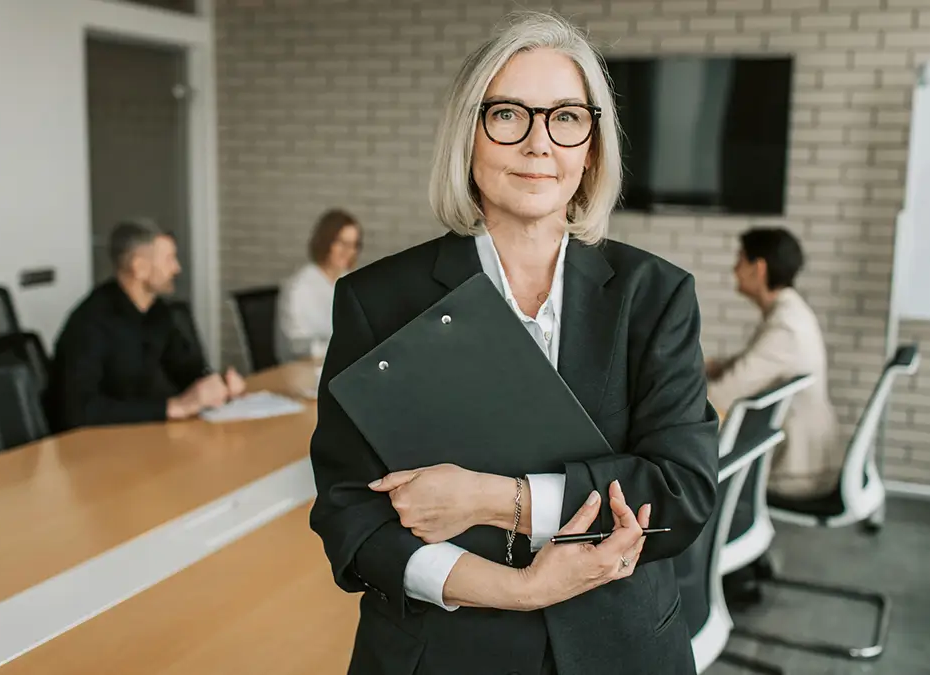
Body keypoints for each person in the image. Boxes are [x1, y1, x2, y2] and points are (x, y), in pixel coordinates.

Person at [308, 12, 718, 675]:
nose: (538, 143)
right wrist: (521, 588)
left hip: (618, 644)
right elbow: (349, 511)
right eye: (508, 115)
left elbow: (682, 493)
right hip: (442, 650)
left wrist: (493, 497)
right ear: (468, 135)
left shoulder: (655, 295)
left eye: (565, 117)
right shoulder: (377, 300)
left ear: (591, 145)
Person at [45, 219, 245, 432]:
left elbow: (185, 367)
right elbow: (79, 411)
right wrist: (172, 407)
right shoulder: (90, 323)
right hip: (92, 450)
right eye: (169, 259)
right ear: (139, 267)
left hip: (143, 436)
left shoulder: (157, 311)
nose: (177, 268)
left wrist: (218, 384)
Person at [706, 226, 842, 500]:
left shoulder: (785, 326)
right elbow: (748, 366)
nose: (734, 269)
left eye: (739, 260)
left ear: (759, 268)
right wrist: (706, 365)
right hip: (804, 461)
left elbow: (720, 394)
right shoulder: (790, 312)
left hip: (798, 473)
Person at [275, 209, 363, 362]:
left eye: (353, 245)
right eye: (342, 243)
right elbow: (295, 346)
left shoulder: (349, 282)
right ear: (325, 242)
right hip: (301, 370)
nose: (348, 251)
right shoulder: (298, 287)